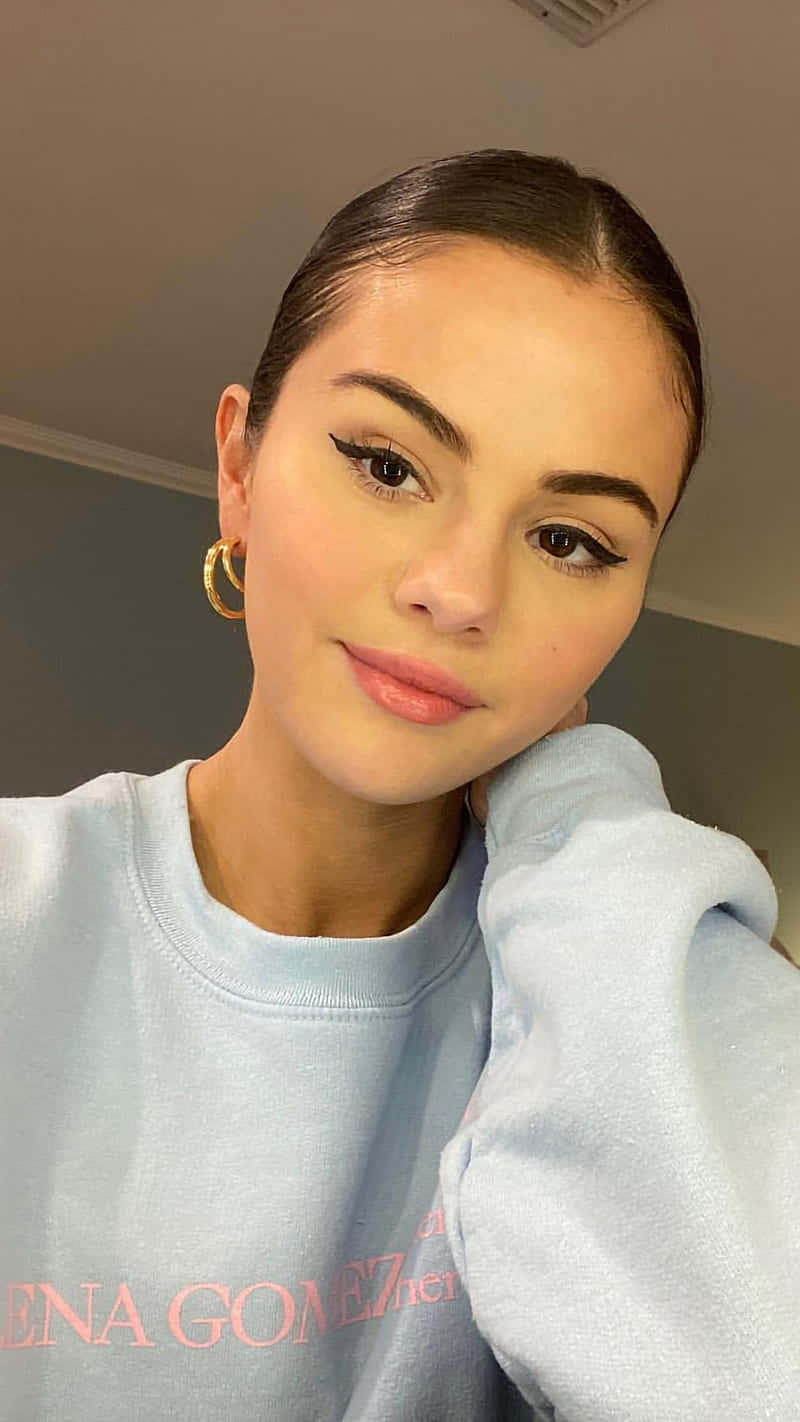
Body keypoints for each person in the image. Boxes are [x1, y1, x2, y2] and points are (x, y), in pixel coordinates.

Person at [2, 149, 798, 1420]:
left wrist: (576, 795)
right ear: (238, 467)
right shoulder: (24, 913)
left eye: (569, 540)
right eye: (387, 464)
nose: (461, 591)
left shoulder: (619, 980)